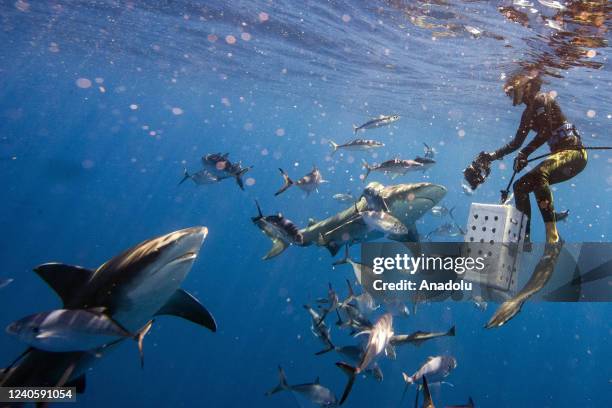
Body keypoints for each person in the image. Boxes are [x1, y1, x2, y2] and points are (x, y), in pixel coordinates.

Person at [486, 71, 587, 245]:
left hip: (575, 153)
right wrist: (491, 156)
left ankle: (552, 238)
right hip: (559, 157)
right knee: (520, 187)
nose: (509, 92)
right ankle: (524, 239)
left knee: (541, 172)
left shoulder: (542, 99)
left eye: (512, 87)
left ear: (525, 86)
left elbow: (546, 131)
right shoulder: (527, 115)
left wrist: (524, 154)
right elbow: (516, 143)